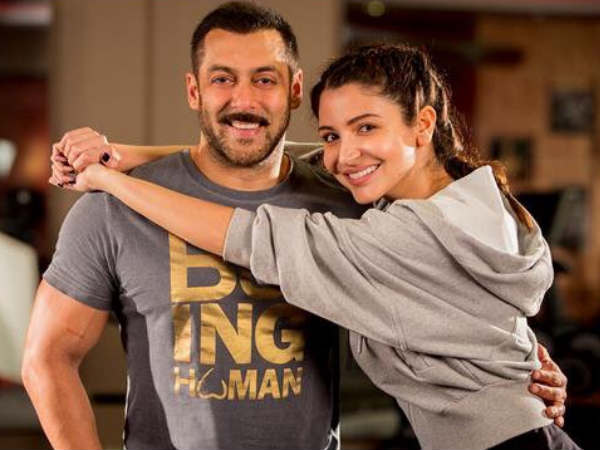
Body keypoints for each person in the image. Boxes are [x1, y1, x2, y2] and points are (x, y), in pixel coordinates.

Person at [51, 44, 581, 450]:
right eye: (331, 135)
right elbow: (287, 162)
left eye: (366, 127)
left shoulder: (401, 236)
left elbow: (253, 235)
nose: (344, 155)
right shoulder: (472, 200)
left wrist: (109, 181)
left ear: (423, 123)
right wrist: (131, 155)